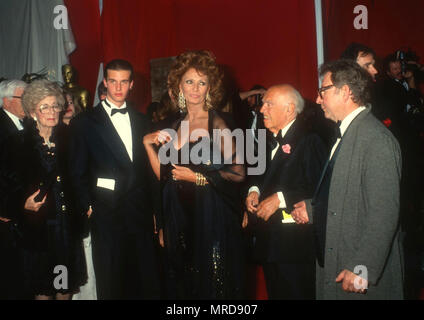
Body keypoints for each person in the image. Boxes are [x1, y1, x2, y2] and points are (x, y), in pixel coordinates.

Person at [292, 59, 404, 299]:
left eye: (323, 91)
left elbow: (384, 212)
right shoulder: (349, 133)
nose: (318, 98)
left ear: (345, 92)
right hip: (339, 261)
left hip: (356, 269)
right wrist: (314, 209)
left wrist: (362, 266)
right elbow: (348, 193)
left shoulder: (376, 140)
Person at [144, 50, 246, 299]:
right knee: (184, 284)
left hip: (211, 215)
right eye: (189, 81)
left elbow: (238, 172)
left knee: (213, 283)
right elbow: (165, 178)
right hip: (179, 217)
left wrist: (198, 178)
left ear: (210, 87)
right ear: (178, 86)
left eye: (202, 82)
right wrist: (147, 145)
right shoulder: (174, 125)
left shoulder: (218, 123)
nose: (195, 88)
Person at [68, 59, 160, 299]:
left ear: (131, 85)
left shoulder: (143, 121)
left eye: (124, 82)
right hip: (106, 214)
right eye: (113, 82)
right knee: (112, 281)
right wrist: (87, 207)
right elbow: (76, 171)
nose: (118, 88)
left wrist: (155, 212)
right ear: (105, 83)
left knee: (144, 280)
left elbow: (149, 172)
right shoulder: (84, 123)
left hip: (139, 213)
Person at [0, 79, 86, 299]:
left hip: (66, 229)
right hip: (38, 233)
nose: (51, 111)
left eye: (55, 105)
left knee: (63, 287)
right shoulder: (17, 143)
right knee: (43, 291)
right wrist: (21, 203)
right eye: (44, 107)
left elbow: (81, 175)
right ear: (32, 111)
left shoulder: (70, 138)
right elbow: (5, 185)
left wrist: (87, 203)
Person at [244, 85, 327, 299]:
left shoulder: (310, 140)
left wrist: (280, 199)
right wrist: (253, 190)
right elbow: (258, 175)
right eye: (263, 104)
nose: (262, 110)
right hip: (270, 243)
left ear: (289, 109)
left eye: (269, 104)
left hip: (295, 247)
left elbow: (320, 187)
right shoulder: (266, 138)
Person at [0, 79, 27, 299]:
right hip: (6, 214)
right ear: (6, 101)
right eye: (22, 97)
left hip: (25, 211)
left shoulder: (27, 124)